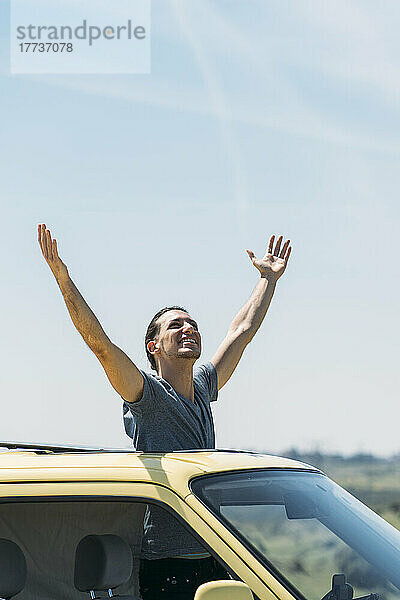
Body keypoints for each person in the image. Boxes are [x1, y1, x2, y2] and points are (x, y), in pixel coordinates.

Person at [37, 223, 292, 599]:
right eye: (177, 325)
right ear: (154, 346)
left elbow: (241, 331)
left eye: (192, 324)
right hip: (169, 566)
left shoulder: (204, 385)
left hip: (214, 551)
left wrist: (267, 280)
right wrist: (63, 278)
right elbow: (102, 347)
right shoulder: (147, 395)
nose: (189, 328)